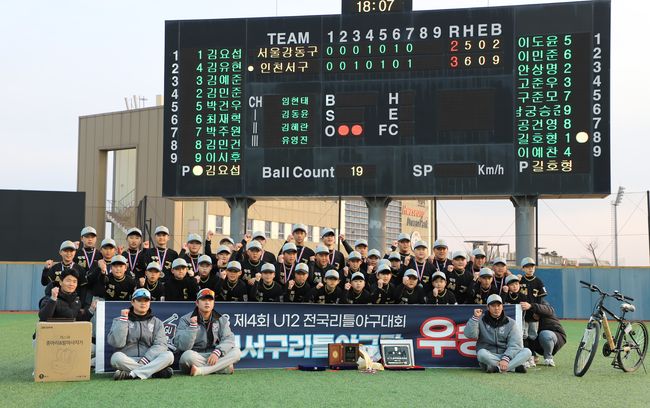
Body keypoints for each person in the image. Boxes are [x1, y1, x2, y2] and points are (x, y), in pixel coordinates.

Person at [107, 288, 175, 380]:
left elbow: (161, 344)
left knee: (169, 356)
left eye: (146, 300)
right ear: (132, 302)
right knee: (116, 358)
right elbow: (117, 343)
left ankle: (131, 374)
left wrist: (146, 359)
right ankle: (154, 373)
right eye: (139, 300)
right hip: (128, 360)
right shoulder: (119, 320)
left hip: (150, 360)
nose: (143, 303)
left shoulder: (157, 322)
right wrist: (123, 320)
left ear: (149, 302)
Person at [175, 288, 242, 376]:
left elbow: (229, 339)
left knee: (237, 352)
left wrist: (217, 352)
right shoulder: (186, 319)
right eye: (203, 299)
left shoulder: (221, 319)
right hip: (196, 356)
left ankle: (201, 371)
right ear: (197, 303)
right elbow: (183, 347)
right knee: (187, 357)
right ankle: (221, 368)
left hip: (214, 356)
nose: (207, 303)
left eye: (210, 300)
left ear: (213, 303)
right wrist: (192, 327)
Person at [464, 294, 531, 373]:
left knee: (527, 352)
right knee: (481, 353)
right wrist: (475, 318)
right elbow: (470, 335)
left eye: (498, 305)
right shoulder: (480, 320)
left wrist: (505, 358)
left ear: (502, 306)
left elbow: (515, 344)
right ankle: (513, 368)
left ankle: (497, 368)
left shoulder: (511, 323)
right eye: (493, 306)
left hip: (507, 355)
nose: (496, 308)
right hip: (490, 356)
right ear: (488, 307)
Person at [524, 299, 567, 367]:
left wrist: (532, 307)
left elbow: (550, 310)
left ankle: (548, 358)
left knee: (545, 335)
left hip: (554, 334)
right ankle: (531, 355)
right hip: (536, 339)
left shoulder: (539, 300)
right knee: (524, 335)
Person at [519, 257, 548, 342]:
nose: (530, 269)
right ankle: (524, 351)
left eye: (532, 267)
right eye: (527, 267)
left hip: (533, 312)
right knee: (522, 333)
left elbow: (540, 298)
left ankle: (532, 351)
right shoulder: (520, 280)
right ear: (523, 268)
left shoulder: (538, 281)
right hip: (522, 312)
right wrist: (517, 280)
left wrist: (538, 312)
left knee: (533, 334)